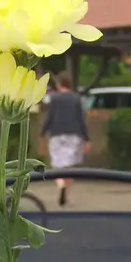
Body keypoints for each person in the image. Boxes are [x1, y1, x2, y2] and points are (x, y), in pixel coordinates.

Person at [40, 74, 88, 206]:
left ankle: (61, 185)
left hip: (56, 134)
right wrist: (86, 138)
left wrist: (43, 133)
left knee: (58, 164)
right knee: (69, 166)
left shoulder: (54, 99)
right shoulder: (76, 99)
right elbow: (81, 119)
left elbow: (49, 117)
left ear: (59, 84)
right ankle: (66, 192)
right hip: (74, 134)